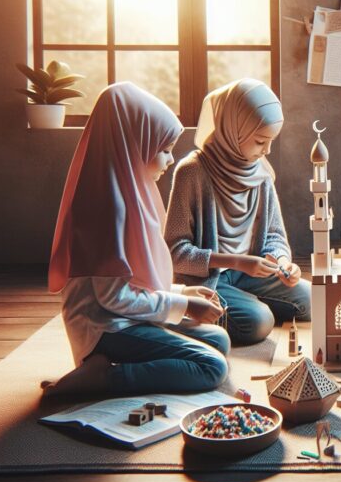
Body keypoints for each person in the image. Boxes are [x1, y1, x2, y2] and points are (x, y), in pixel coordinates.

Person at [43, 83, 229, 397]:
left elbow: (132, 280)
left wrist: (182, 291)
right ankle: (103, 378)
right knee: (212, 366)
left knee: (219, 340)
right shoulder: (107, 206)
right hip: (104, 327)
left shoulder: (127, 192)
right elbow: (113, 298)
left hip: (120, 317)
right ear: (134, 145)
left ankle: (108, 367)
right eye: (165, 149)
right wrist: (184, 304)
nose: (171, 160)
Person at [164, 79, 310, 346]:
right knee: (258, 322)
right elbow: (175, 254)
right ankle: (199, 312)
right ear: (233, 129)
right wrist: (237, 261)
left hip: (251, 272)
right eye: (259, 141)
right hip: (208, 277)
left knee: (311, 301)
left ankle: (243, 301)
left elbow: (275, 235)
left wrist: (282, 262)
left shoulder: (260, 173)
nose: (266, 150)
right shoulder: (192, 172)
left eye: (270, 142)